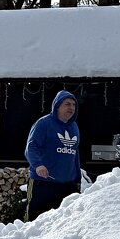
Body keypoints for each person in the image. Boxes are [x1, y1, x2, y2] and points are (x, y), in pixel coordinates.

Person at [24, 89, 82, 221]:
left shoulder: (74, 127)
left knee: (63, 224)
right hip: (44, 182)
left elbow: (74, 154)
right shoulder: (44, 123)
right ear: (57, 106)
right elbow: (31, 147)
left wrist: (77, 179)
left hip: (67, 185)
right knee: (35, 222)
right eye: (67, 104)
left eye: (74, 105)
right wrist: (38, 165)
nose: (71, 107)